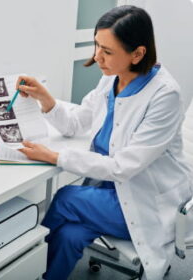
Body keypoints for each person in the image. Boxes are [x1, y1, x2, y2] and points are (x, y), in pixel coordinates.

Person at [17, 5, 193, 280]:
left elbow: (124, 167)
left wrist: (55, 157)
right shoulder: (111, 77)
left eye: (107, 51)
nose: (97, 57)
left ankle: (26, 258)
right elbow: (78, 121)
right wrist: (45, 99)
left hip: (143, 200)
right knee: (68, 235)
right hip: (109, 191)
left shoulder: (164, 96)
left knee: (65, 198)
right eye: (97, 45)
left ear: (137, 54)